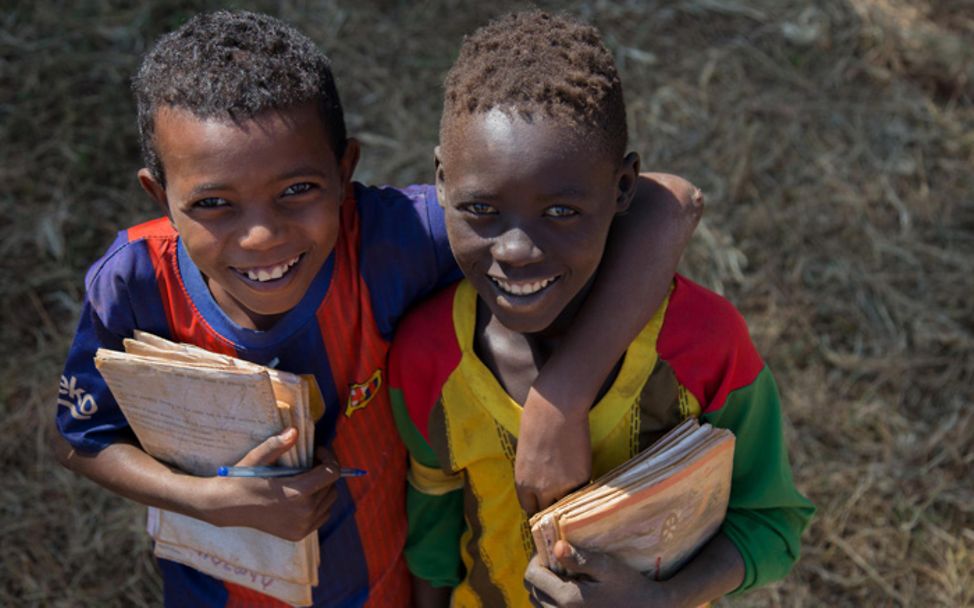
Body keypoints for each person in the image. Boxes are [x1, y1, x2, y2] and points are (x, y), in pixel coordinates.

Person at [52, 10, 702, 607]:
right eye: (213, 204)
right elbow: (82, 437)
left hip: (382, 589)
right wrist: (207, 499)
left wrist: (563, 394)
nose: (261, 236)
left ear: (345, 170)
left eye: (297, 190)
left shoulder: (394, 242)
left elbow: (669, 202)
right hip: (212, 593)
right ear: (157, 192)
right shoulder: (134, 281)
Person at [389, 11, 815, 608]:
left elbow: (771, 523)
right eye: (481, 209)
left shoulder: (703, 345)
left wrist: (663, 599)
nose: (514, 251)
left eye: (561, 212)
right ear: (441, 180)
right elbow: (432, 545)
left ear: (622, 188)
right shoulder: (426, 355)